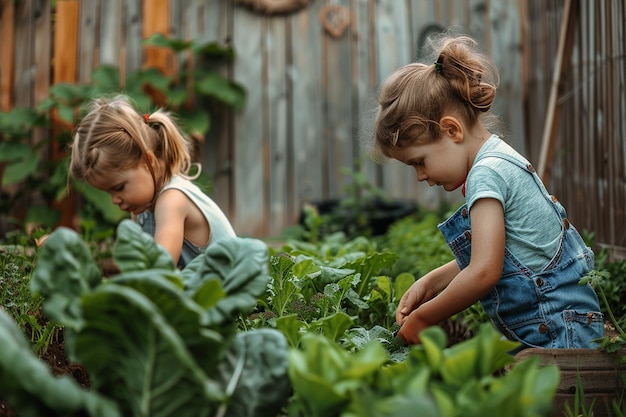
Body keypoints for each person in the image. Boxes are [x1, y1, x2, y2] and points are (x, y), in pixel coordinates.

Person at [372, 35, 604, 349]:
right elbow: (507, 252)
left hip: (560, 337)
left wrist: (424, 317)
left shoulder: (486, 175)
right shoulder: (499, 158)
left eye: (419, 161)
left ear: (451, 130)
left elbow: (484, 271)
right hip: (564, 325)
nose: (421, 176)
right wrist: (433, 281)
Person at [69, 95, 236, 268]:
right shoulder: (142, 208)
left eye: (119, 187)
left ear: (148, 160)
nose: (115, 200)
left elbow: (159, 271)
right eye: (108, 192)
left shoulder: (172, 201)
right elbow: (139, 267)